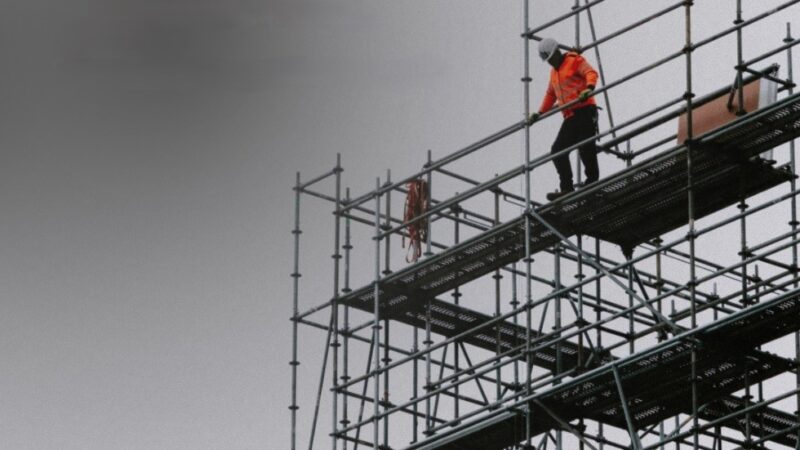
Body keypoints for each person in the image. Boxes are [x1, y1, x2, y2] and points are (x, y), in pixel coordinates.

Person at [528, 38, 600, 201]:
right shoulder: (554, 72)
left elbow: (591, 73)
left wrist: (588, 88)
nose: (550, 62)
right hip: (570, 116)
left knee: (586, 148)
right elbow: (550, 94)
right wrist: (539, 113)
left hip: (585, 110)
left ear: (558, 52)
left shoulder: (574, 60)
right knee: (557, 150)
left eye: (551, 58)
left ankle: (592, 184)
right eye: (548, 60)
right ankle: (566, 187)